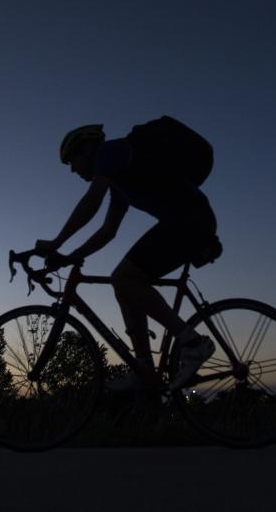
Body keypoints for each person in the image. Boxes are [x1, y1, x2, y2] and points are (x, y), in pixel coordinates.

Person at [36, 122, 219, 393]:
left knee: (125, 277)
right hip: (187, 221)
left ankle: (192, 343)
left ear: (87, 148)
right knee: (122, 283)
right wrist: (68, 257)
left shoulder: (111, 151)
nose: (73, 169)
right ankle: (144, 369)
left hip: (190, 220)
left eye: (72, 160)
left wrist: (56, 242)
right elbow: (107, 232)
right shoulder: (120, 183)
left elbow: (91, 201)